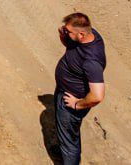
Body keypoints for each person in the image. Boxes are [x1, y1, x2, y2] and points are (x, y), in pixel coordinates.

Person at [53, 11, 106, 165]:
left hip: (71, 102)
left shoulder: (92, 60)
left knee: (69, 142)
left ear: (81, 34)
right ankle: (65, 154)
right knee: (67, 135)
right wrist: (65, 36)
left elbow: (98, 96)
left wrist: (77, 104)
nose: (65, 31)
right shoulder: (88, 35)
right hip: (64, 90)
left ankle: (69, 158)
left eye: (68, 31)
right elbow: (71, 47)